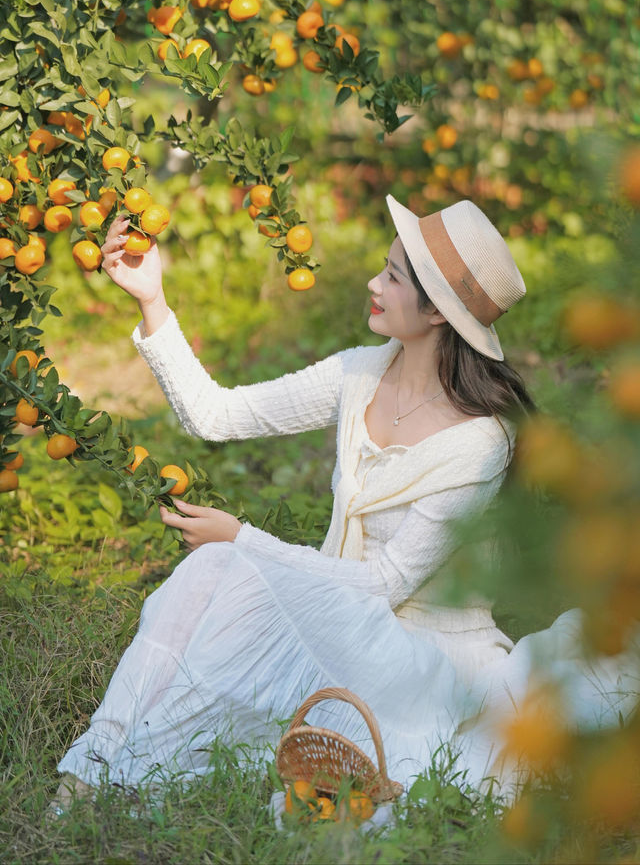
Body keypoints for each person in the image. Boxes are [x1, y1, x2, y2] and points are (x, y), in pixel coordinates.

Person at [53, 195, 638, 812]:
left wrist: (247, 542)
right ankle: (96, 763)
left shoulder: (481, 445)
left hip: (425, 666)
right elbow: (217, 415)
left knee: (228, 563)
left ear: (438, 312)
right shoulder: (360, 374)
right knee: (210, 568)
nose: (372, 283)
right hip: (345, 626)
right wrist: (152, 300)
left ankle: (115, 776)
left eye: (391, 275)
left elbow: (384, 584)